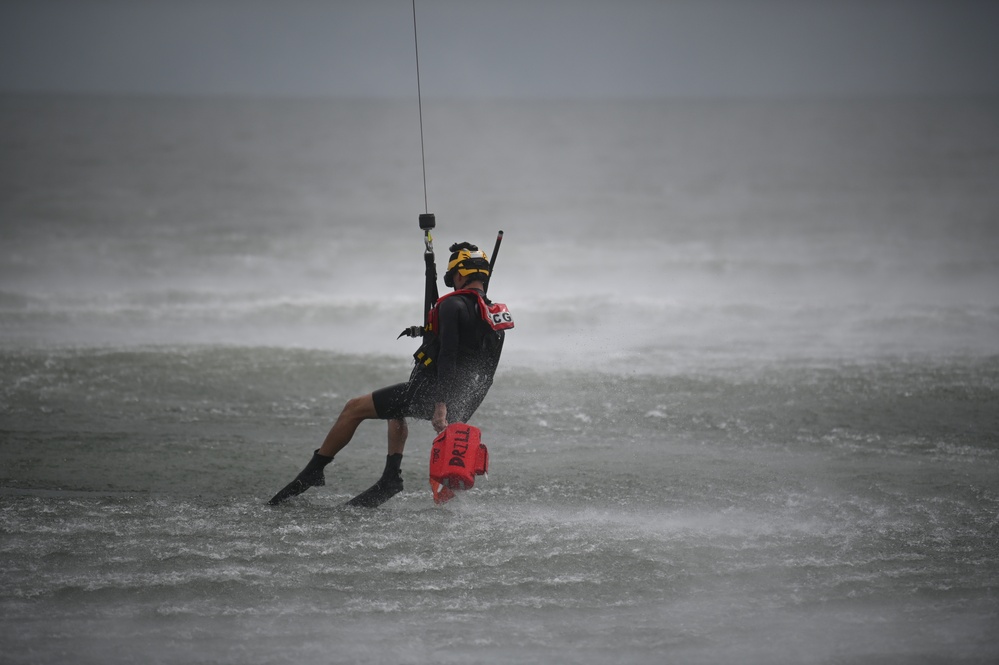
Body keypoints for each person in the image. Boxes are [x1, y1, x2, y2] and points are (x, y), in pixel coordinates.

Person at [268, 242, 511, 507]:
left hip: (432, 393)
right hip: (458, 397)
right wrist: (461, 412)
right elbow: (486, 375)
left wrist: (440, 407)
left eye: (453, 277)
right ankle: (390, 477)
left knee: (353, 408)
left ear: (461, 275)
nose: (453, 283)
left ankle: (315, 469)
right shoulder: (494, 317)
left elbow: (448, 356)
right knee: (394, 409)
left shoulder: (452, 306)